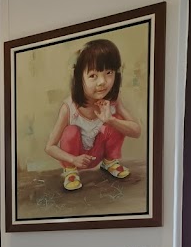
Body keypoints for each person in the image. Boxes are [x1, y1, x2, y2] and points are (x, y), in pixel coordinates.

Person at [45, 38, 141, 191]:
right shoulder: (69, 108)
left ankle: (109, 162)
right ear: (80, 79)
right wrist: (73, 159)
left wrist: (110, 120)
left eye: (108, 73)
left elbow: (136, 131)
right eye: (93, 76)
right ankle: (70, 172)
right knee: (71, 131)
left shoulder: (113, 101)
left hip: (98, 155)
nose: (102, 82)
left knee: (117, 121)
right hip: (75, 159)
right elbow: (50, 147)